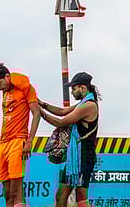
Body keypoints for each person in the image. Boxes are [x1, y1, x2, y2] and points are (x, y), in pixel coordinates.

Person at [37, 72, 100, 207]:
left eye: (74, 88)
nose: (72, 92)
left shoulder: (89, 105)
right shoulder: (83, 103)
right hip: (76, 157)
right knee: (64, 196)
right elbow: (62, 111)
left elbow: (61, 122)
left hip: (83, 155)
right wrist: (42, 104)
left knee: (78, 197)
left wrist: (40, 113)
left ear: (83, 88)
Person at [0, 62, 41, 207]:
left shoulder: (24, 86)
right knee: (7, 193)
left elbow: (36, 114)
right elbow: (5, 122)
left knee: (17, 191)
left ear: (7, 76)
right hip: (3, 145)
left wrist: (29, 141)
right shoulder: (5, 92)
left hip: (18, 141)